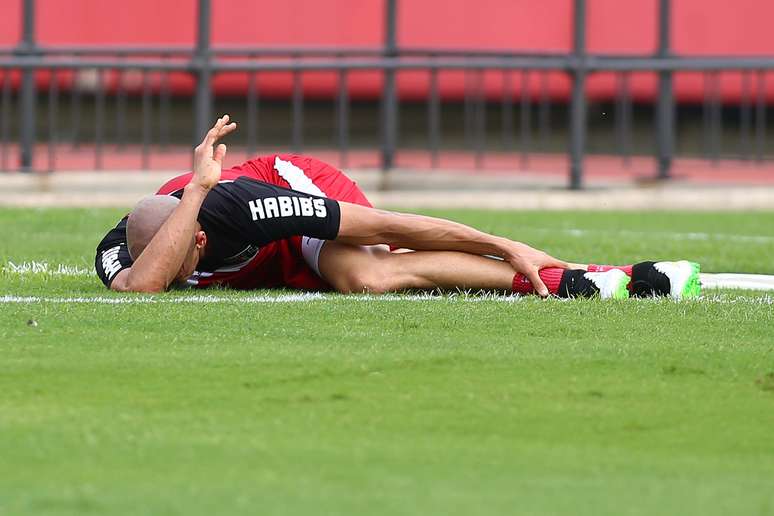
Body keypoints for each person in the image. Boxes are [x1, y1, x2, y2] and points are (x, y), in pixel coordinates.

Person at [95, 115, 701, 300]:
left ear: (199, 240)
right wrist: (192, 192)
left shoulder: (242, 207)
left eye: (180, 258)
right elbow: (139, 286)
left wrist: (505, 244)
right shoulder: (121, 245)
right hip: (222, 211)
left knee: (371, 272)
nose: (172, 276)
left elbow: (392, 225)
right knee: (358, 275)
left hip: (297, 192)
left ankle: (574, 279)